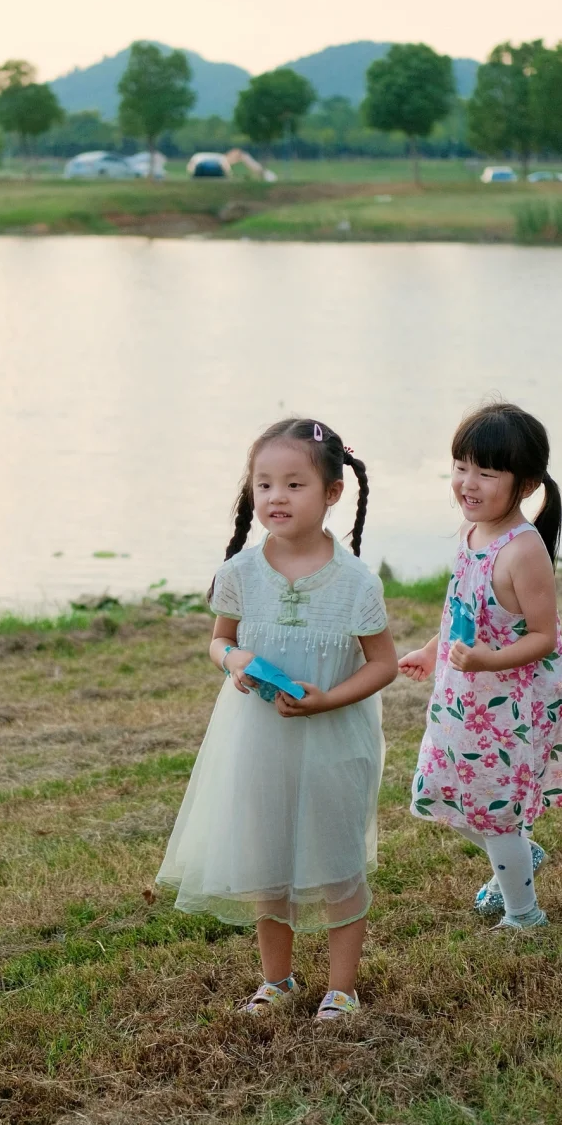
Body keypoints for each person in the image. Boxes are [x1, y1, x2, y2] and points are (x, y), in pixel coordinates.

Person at [157, 418, 398, 1021]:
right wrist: (232, 658)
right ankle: (278, 979)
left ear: (332, 494)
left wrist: (328, 699)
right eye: (264, 485)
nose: (276, 498)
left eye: (294, 484)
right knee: (267, 856)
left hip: (335, 738)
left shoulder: (355, 583)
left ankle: (342, 987)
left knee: (337, 856)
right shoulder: (240, 573)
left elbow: (385, 665)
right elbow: (218, 643)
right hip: (256, 736)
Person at [401, 403, 562, 929]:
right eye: (461, 466)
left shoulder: (524, 552)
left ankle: (524, 915)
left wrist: (488, 661)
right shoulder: (469, 532)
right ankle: (520, 856)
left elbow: (544, 638)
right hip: (461, 700)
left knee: (493, 808)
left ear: (524, 484)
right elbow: (462, 610)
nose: (468, 482)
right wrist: (432, 649)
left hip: (506, 708)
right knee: (442, 792)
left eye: (486, 471)